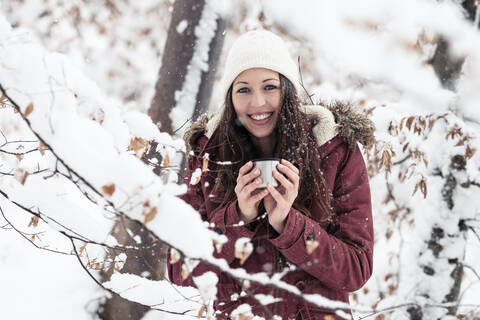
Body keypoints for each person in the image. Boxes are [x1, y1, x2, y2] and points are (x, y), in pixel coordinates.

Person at [168, 29, 375, 320]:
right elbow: (180, 268)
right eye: (243, 89)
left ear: (286, 90)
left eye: (269, 87)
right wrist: (239, 217)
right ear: (230, 97)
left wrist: (287, 224)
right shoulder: (208, 157)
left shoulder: (335, 151)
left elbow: (356, 269)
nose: (258, 103)